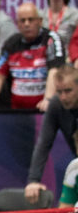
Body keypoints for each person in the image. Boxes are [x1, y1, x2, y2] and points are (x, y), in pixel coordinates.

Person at [0, 1, 65, 113]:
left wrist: (48, 100)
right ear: (17, 24)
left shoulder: (51, 39)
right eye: (22, 21)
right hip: (17, 113)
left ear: (40, 21)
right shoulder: (12, 43)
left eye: (31, 20)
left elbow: (55, 70)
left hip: (44, 111)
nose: (27, 24)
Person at [25, 67, 78, 200]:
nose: (63, 97)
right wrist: (33, 180)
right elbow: (43, 144)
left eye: (68, 91)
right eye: (59, 92)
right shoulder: (55, 105)